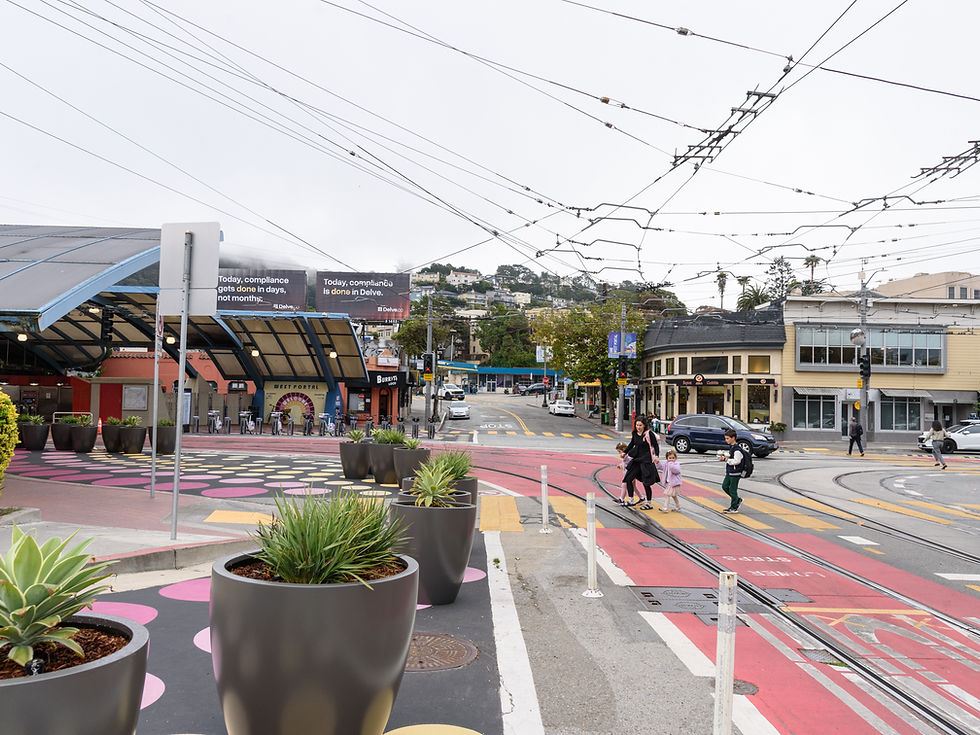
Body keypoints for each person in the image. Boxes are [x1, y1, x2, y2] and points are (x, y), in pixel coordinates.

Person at [622, 417, 661, 510]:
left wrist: (657, 456)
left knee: (646, 482)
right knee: (628, 479)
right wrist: (625, 452)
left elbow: (655, 445)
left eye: (640, 425)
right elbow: (632, 444)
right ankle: (631, 500)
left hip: (646, 461)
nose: (638, 427)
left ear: (644, 425)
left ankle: (649, 503)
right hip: (636, 460)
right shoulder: (635, 433)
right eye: (637, 425)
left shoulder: (648, 434)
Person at [717, 429, 744, 513]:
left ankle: (733, 507)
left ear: (733, 438)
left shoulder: (737, 449)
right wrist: (724, 456)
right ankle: (737, 500)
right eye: (725, 438)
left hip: (736, 472)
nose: (726, 440)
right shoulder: (732, 447)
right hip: (730, 471)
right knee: (724, 486)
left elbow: (737, 461)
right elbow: (730, 456)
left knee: (732, 490)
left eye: (727, 438)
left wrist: (726, 460)